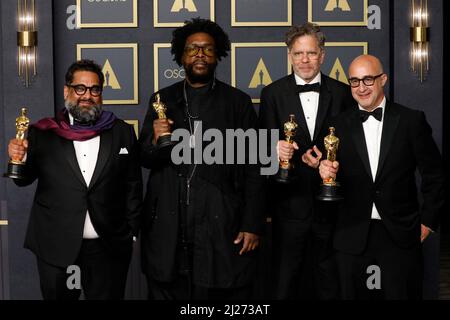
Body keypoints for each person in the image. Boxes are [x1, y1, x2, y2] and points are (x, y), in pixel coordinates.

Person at [139, 18, 265, 300]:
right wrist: (156, 140)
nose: (199, 54)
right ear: (181, 55)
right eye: (192, 49)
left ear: (217, 55)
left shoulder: (238, 103)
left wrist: (252, 223)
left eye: (207, 49)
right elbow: (145, 158)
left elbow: (255, 168)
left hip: (220, 223)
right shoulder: (161, 99)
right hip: (169, 224)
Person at [7, 59, 143, 300]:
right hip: (55, 245)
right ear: (67, 91)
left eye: (94, 89)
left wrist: (131, 232)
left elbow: (132, 184)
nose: (87, 96)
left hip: (107, 247)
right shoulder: (43, 132)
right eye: (80, 88)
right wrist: (19, 157)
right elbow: (23, 180)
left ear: (101, 92)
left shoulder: (121, 131)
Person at [318, 54, 444, 299]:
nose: (361, 88)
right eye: (354, 81)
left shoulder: (410, 120)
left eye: (368, 79)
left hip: (399, 234)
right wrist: (323, 170)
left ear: (383, 79)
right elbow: (326, 172)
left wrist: (428, 222)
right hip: (350, 235)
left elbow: (435, 174)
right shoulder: (336, 125)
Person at [259, 22, 355, 299]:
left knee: (331, 282)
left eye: (311, 53)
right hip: (288, 208)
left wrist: (327, 163)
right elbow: (262, 149)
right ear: (289, 55)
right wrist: (273, 149)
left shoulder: (342, 93)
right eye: (298, 53)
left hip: (334, 210)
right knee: (284, 282)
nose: (305, 60)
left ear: (323, 55)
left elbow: (354, 149)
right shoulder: (272, 93)